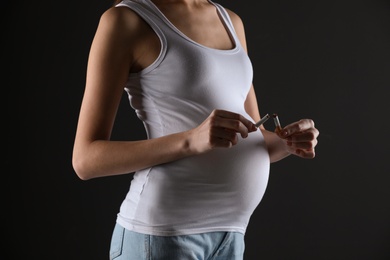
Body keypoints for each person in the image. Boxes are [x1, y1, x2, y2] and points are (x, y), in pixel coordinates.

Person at [72, 0, 320, 259]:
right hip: (161, 237)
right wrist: (191, 140)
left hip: (231, 237)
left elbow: (253, 132)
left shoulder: (231, 21)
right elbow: (85, 160)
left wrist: (286, 142)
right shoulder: (127, 20)